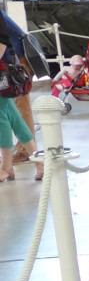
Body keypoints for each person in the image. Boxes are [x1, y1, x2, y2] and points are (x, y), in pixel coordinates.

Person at [0, 9, 37, 167]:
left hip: (12, 68)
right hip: (12, 66)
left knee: (14, 112)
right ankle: (35, 159)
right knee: (13, 114)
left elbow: (5, 40)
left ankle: (13, 161)